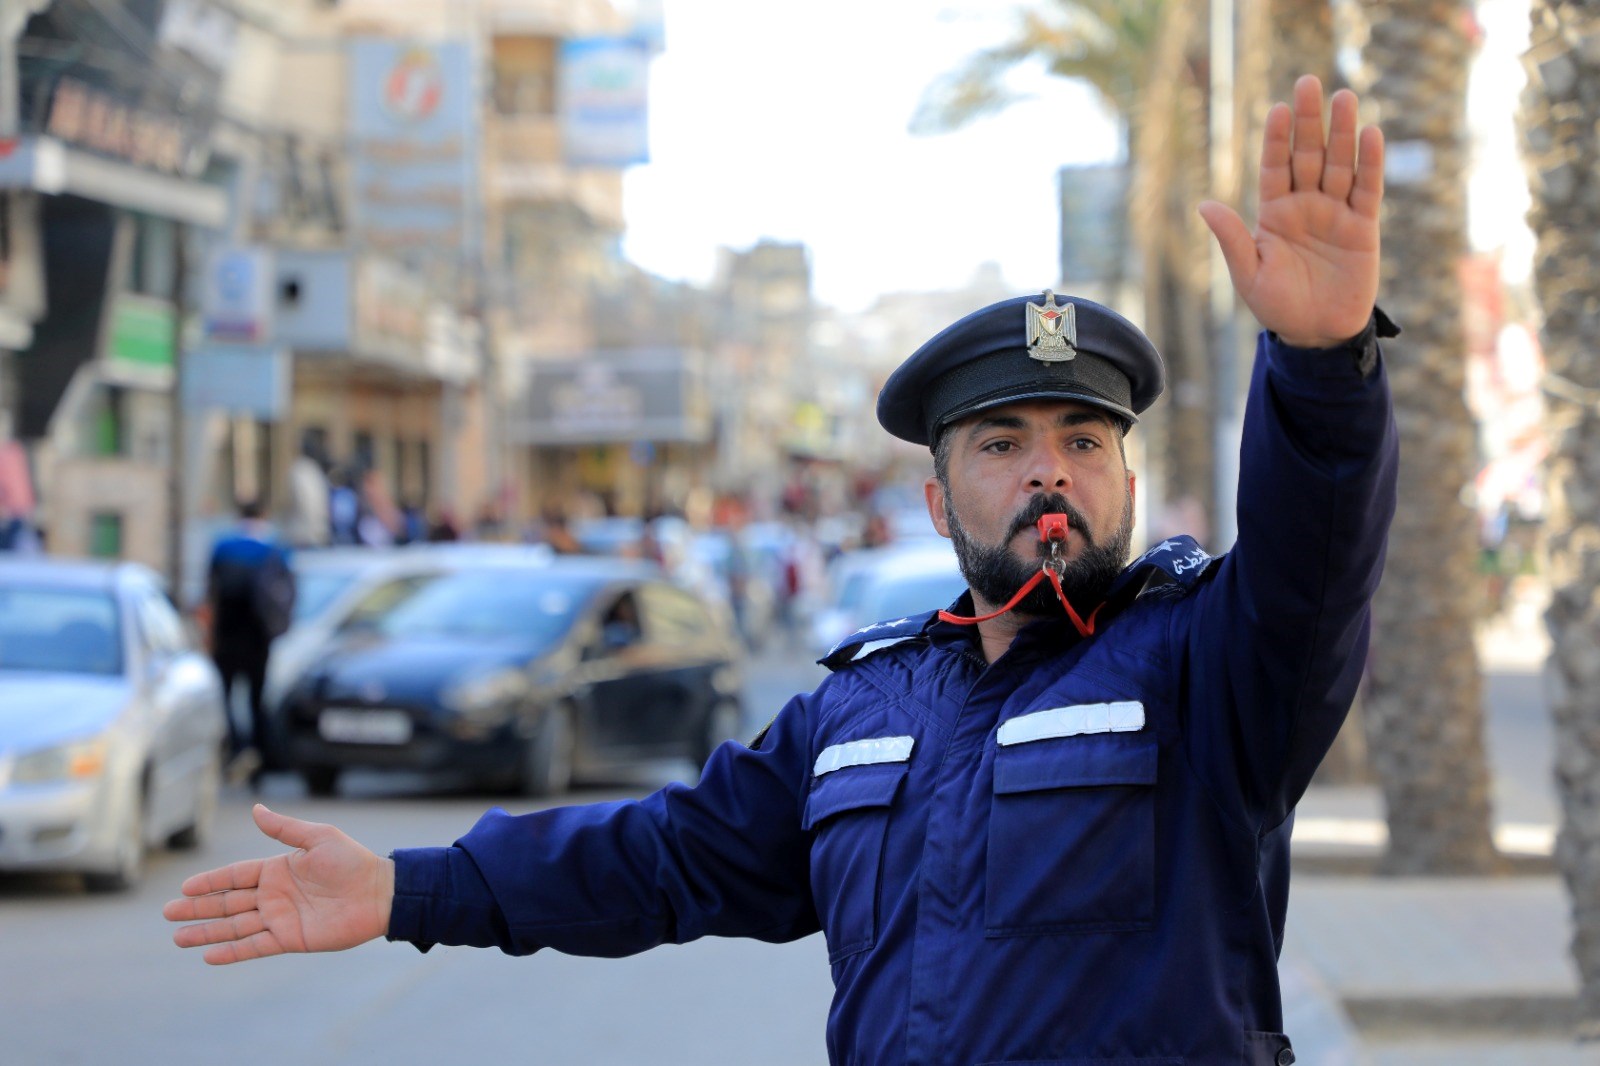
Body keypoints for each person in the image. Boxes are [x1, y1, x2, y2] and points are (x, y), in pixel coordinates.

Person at [166, 77, 1396, 1065]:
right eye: (1001, 444)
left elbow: (1316, 562)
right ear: (937, 499)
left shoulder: (1206, 667)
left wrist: (1320, 364)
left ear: (1124, 481)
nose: (1048, 470)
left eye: (1083, 441)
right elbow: (658, 856)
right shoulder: (861, 708)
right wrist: (406, 889)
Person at [204, 499, 296, 781]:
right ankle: (259, 758)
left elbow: (211, 593)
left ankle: (234, 749)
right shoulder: (275, 548)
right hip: (259, 638)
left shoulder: (223, 547)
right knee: (257, 699)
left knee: (225, 697)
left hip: (227, 636)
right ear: (264, 515)